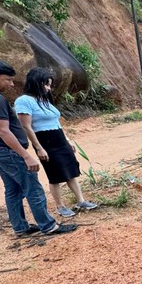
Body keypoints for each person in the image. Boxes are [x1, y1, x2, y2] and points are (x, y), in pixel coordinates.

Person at [0, 58, 76, 236]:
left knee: (13, 190)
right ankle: (48, 225)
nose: (11, 84)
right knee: (33, 188)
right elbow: (3, 131)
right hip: (8, 152)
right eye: (7, 79)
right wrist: (26, 155)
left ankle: (20, 227)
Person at [15, 67, 98, 217]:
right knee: (55, 176)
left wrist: (67, 140)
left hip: (59, 138)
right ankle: (60, 206)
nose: (49, 88)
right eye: (46, 84)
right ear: (36, 82)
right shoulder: (23, 101)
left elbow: (56, 122)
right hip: (45, 141)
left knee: (70, 171)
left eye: (49, 85)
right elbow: (26, 126)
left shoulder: (44, 100)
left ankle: (81, 201)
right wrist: (39, 148)